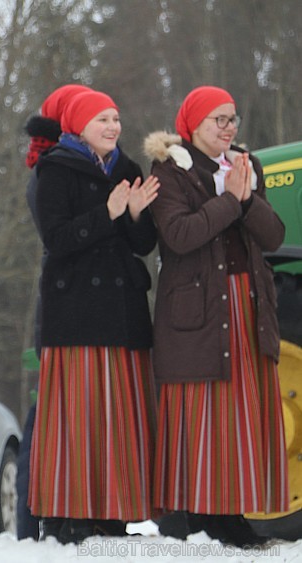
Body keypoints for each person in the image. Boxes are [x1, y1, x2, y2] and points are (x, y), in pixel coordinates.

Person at [144, 86, 288, 547]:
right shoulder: (170, 171)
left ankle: (231, 512)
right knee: (201, 412)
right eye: (217, 120)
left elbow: (273, 235)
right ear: (193, 124)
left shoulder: (246, 165)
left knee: (242, 413)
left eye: (232, 118)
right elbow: (180, 235)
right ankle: (194, 511)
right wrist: (229, 199)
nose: (227, 128)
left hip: (246, 302)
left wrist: (247, 201)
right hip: (199, 307)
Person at [28, 90, 160, 544]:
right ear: (78, 126)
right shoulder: (55, 170)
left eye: (116, 118)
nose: (113, 127)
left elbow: (142, 245)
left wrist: (138, 216)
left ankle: (116, 516)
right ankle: (76, 516)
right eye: (102, 119)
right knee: (82, 419)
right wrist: (106, 214)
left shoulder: (127, 170)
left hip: (123, 310)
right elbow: (57, 238)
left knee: (122, 417)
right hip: (76, 311)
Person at [19, 84, 91, 541]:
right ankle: (38, 518)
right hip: (62, 307)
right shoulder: (51, 171)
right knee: (49, 416)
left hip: (74, 304)